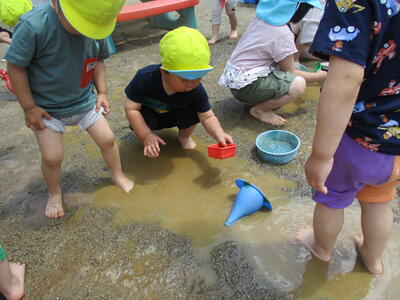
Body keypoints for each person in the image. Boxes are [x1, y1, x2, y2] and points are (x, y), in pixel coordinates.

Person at [297, 0, 400, 275]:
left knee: (331, 198)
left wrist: (321, 155)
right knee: (380, 200)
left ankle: (321, 249)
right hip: (396, 147)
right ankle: (373, 259)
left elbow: (345, 80)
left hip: (358, 137)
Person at [5, 0, 134, 219]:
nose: (84, 31)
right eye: (79, 23)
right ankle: (54, 193)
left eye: (90, 26)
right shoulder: (34, 25)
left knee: (108, 140)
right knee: (53, 157)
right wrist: (29, 107)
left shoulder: (96, 25)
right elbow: (16, 66)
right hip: (46, 109)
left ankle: (118, 175)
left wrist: (101, 93)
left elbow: (99, 62)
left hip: (84, 102)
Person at [124, 26, 234, 158]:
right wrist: (146, 134)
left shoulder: (196, 89)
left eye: (198, 78)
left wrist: (219, 133)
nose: (192, 84)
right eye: (184, 80)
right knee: (140, 122)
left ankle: (184, 137)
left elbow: (207, 116)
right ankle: (149, 140)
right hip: (150, 115)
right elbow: (131, 108)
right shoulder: (145, 78)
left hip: (176, 113)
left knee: (195, 112)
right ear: (164, 72)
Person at [218, 0, 327, 125]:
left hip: (236, 83)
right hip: (246, 87)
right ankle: (259, 110)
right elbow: (289, 73)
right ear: (299, 13)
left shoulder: (260, 20)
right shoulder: (282, 34)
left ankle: (254, 99)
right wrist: (320, 76)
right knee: (298, 84)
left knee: (286, 72)